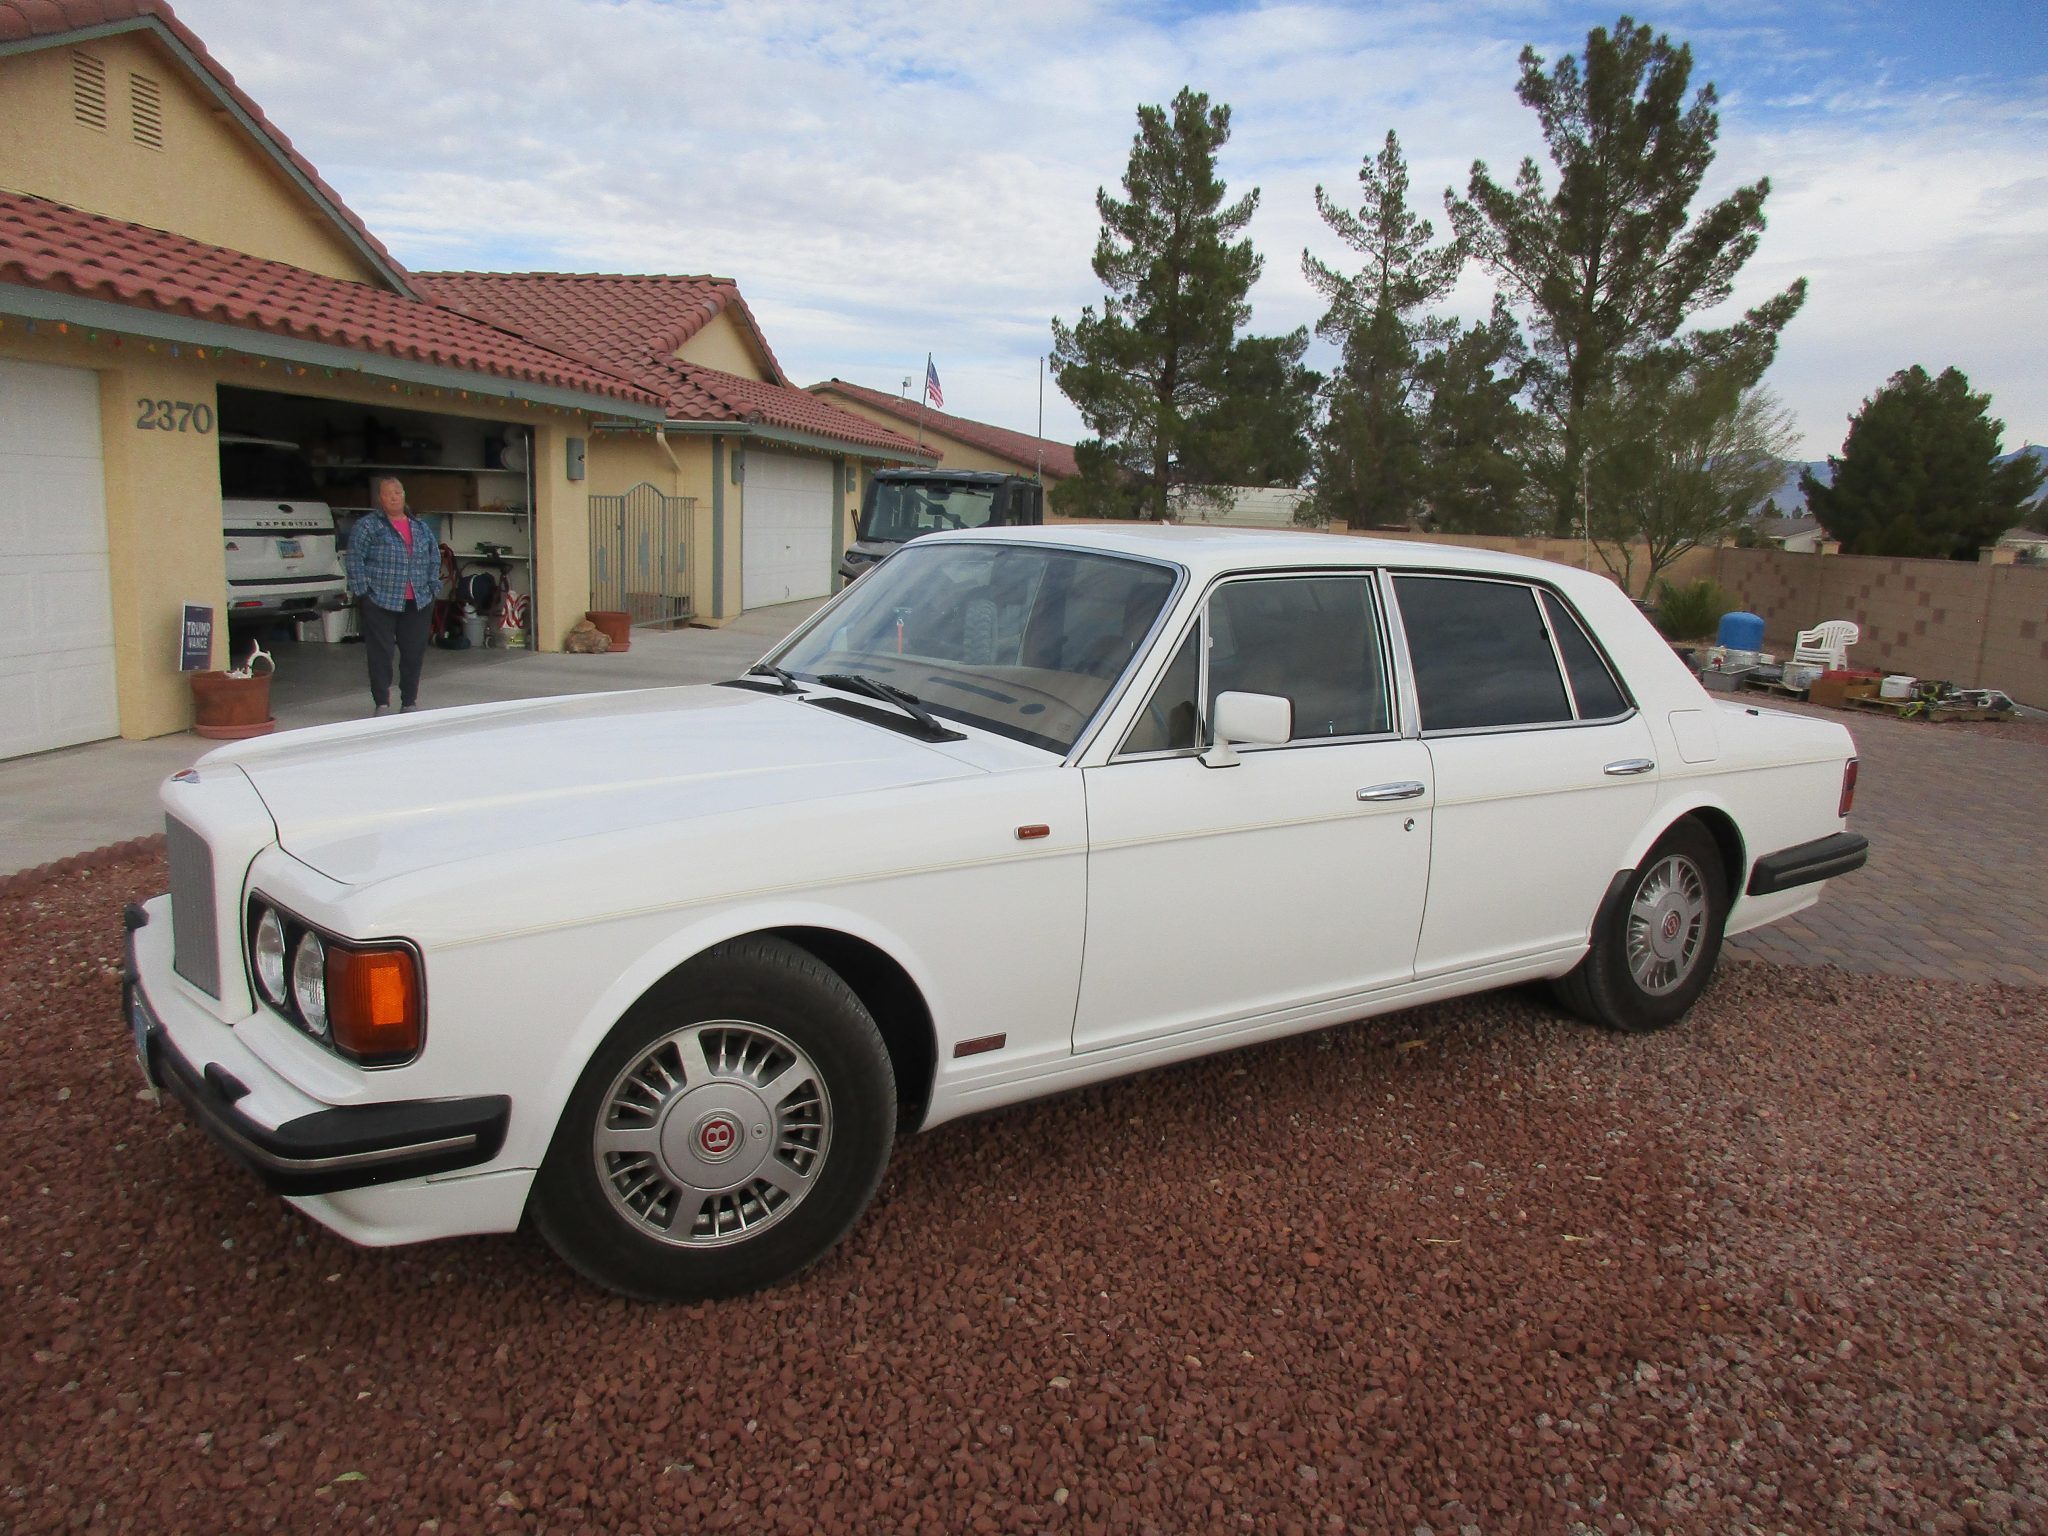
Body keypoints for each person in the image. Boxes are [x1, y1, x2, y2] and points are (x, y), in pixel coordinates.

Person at [345, 475, 441, 715]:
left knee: (413, 653)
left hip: (417, 600)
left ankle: (409, 701)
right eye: (388, 493)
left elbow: (434, 556)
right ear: (380, 498)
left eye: (397, 492)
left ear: (404, 495)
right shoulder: (368, 526)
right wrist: (363, 592)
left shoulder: (420, 527)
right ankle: (382, 702)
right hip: (380, 599)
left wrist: (432, 587)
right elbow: (354, 558)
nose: (394, 497)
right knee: (381, 654)